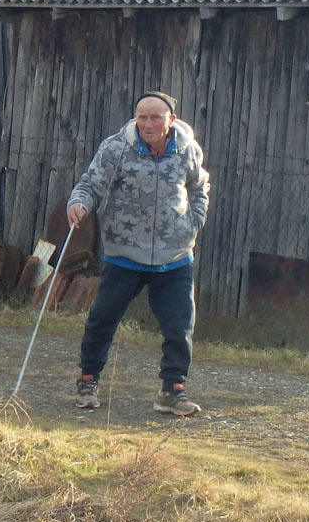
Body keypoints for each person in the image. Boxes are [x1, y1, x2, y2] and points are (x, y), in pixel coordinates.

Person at [66, 91, 210, 416]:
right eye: (142, 117)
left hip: (174, 256)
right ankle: (88, 380)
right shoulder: (117, 148)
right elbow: (91, 183)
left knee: (179, 326)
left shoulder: (187, 149)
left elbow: (200, 185)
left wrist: (194, 222)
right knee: (102, 319)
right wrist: (78, 204)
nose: (147, 123)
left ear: (170, 120)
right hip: (124, 254)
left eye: (155, 117)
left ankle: (172, 391)